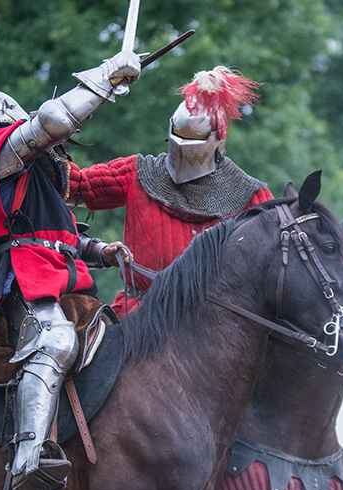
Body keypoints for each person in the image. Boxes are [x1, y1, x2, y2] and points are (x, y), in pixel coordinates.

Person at [0, 49, 139, 490]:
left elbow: (52, 235)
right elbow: (53, 121)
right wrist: (105, 77)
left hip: (51, 271)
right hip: (20, 278)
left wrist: (100, 251)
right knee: (55, 339)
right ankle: (29, 455)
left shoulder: (25, 173)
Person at [68, 66, 274, 316]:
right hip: (138, 316)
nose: (183, 143)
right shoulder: (139, 173)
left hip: (213, 323)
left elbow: (275, 263)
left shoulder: (248, 195)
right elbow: (74, 184)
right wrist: (40, 136)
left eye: (192, 135)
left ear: (218, 139)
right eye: (179, 132)